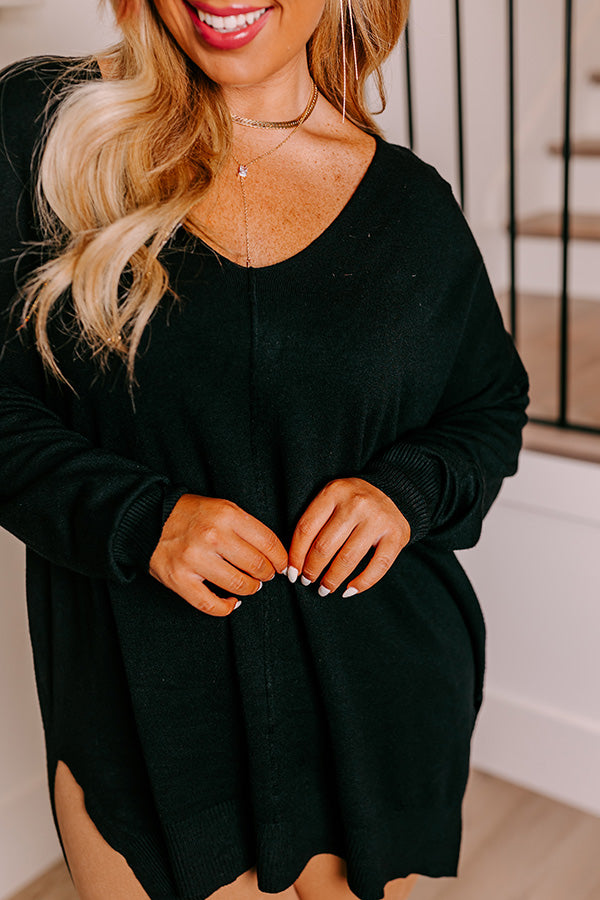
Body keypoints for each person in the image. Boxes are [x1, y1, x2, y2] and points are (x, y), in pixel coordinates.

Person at [0, 0, 529, 898]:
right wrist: (142, 521)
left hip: (379, 708)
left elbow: (489, 402)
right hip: (149, 720)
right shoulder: (49, 131)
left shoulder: (412, 205)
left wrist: (405, 492)